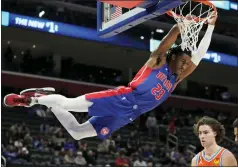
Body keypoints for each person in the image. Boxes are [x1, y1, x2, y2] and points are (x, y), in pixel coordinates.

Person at [4, 12, 218, 141]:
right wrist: (180, 26)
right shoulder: (158, 61)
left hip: (127, 116)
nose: (184, 67)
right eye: (182, 62)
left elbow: (198, 56)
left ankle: (48, 100)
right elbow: (172, 36)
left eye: (185, 65)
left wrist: (210, 27)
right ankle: (31, 100)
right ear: (172, 56)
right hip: (121, 98)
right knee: (70, 104)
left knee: (77, 133)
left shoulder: (175, 79)